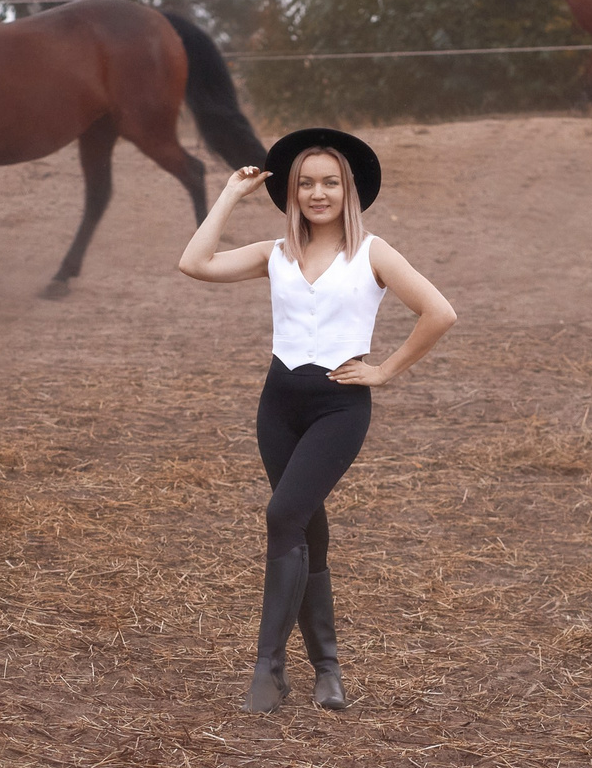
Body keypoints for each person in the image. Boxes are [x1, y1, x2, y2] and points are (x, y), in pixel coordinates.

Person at [177, 127, 458, 712]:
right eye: (306, 183)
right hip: (278, 402)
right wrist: (230, 195)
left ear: (348, 189)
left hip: (338, 404)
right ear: (292, 192)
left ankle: (267, 670)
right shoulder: (274, 254)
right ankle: (327, 670)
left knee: (283, 514)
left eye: (330, 182)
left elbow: (439, 312)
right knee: (304, 528)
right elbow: (194, 263)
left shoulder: (373, 253)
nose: (318, 193)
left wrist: (383, 372)